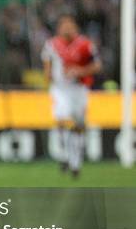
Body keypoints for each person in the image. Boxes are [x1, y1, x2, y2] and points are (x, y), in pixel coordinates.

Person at [41, 14, 101, 178]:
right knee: (61, 119)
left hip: (79, 89)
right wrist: (48, 76)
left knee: (78, 125)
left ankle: (75, 161)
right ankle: (65, 154)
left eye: (69, 25)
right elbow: (47, 65)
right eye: (63, 25)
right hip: (60, 89)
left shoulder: (85, 45)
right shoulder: (51, 44)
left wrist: (81, 71)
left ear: (75, 27)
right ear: (59, 28)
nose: (66, 28)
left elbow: (97, 65)